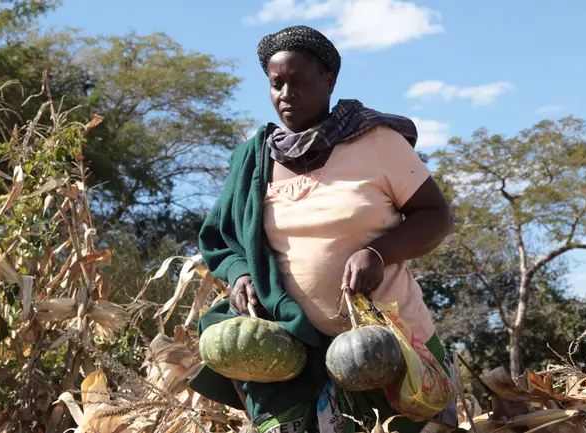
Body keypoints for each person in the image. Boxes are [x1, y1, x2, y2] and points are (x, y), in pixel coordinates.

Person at [189, 25, 457, 433]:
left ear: (328, 80)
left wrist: (379, 253)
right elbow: (223, 239)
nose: (286, 93)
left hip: (389, 344)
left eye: (298, 81)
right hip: (291, 353)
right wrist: (240, 273)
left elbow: (435, 215)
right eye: (276, 83)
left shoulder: (376, 141)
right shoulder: (254, 159)